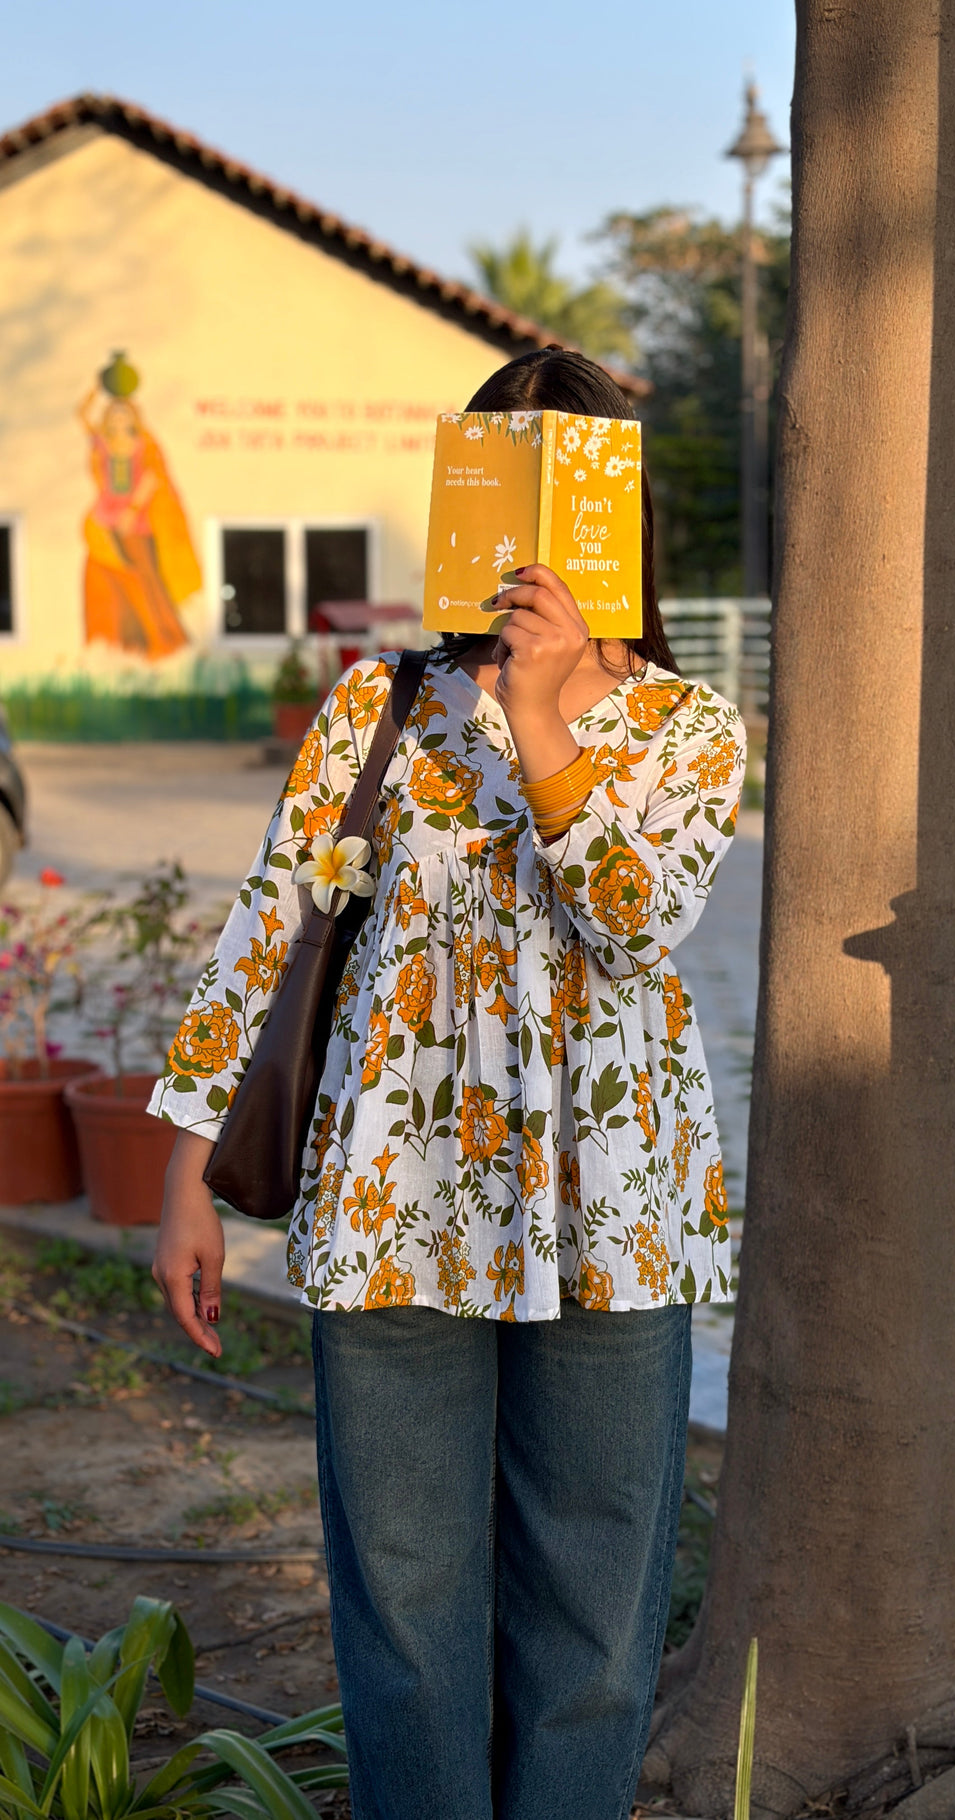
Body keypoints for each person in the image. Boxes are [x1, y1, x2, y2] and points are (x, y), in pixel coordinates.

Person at [150, 348, 745, 1820]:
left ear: (624, 512)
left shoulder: (692, 728)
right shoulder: (377, 707)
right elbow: (268, 929)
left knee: (597, 1625)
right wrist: (186, 1175)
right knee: (407, 1620)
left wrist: (545, 713)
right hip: (390, 1195)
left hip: (614, 1216)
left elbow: (630, 915)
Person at [78, 383, 200, 657]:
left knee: (147, 577)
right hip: (106, 521)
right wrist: (98, 388)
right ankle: (130, 640)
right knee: (117, 576)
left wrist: (132, 512)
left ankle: (167, 637)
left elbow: (151, 478)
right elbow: (82, 415)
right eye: (114, 414)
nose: (120, 419)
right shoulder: (103, 442)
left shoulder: (142, 446)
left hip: (136, 523)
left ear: (133, 418)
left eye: (124, 414)